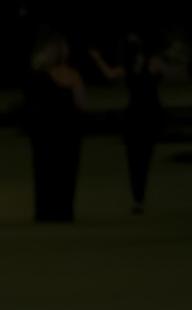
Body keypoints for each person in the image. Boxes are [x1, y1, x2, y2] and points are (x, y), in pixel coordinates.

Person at [90, 35, 166, 214]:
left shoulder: (151, 63)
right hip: (136, 116)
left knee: (143, 158)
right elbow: (110, 74)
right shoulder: (131, 67)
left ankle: (139, 197)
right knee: (134, 159)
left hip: (148, 116)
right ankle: (138, 198)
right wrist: (98, 59)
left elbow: (164, 71)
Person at [25, 34, 86, 222]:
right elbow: (80, 103)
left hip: (45, 130)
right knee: (67, 170)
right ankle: (64, 210)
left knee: (44, 170)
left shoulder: (39, 76)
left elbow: (32, 104)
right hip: (68, 130)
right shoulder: (73, 75)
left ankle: (45, 211)